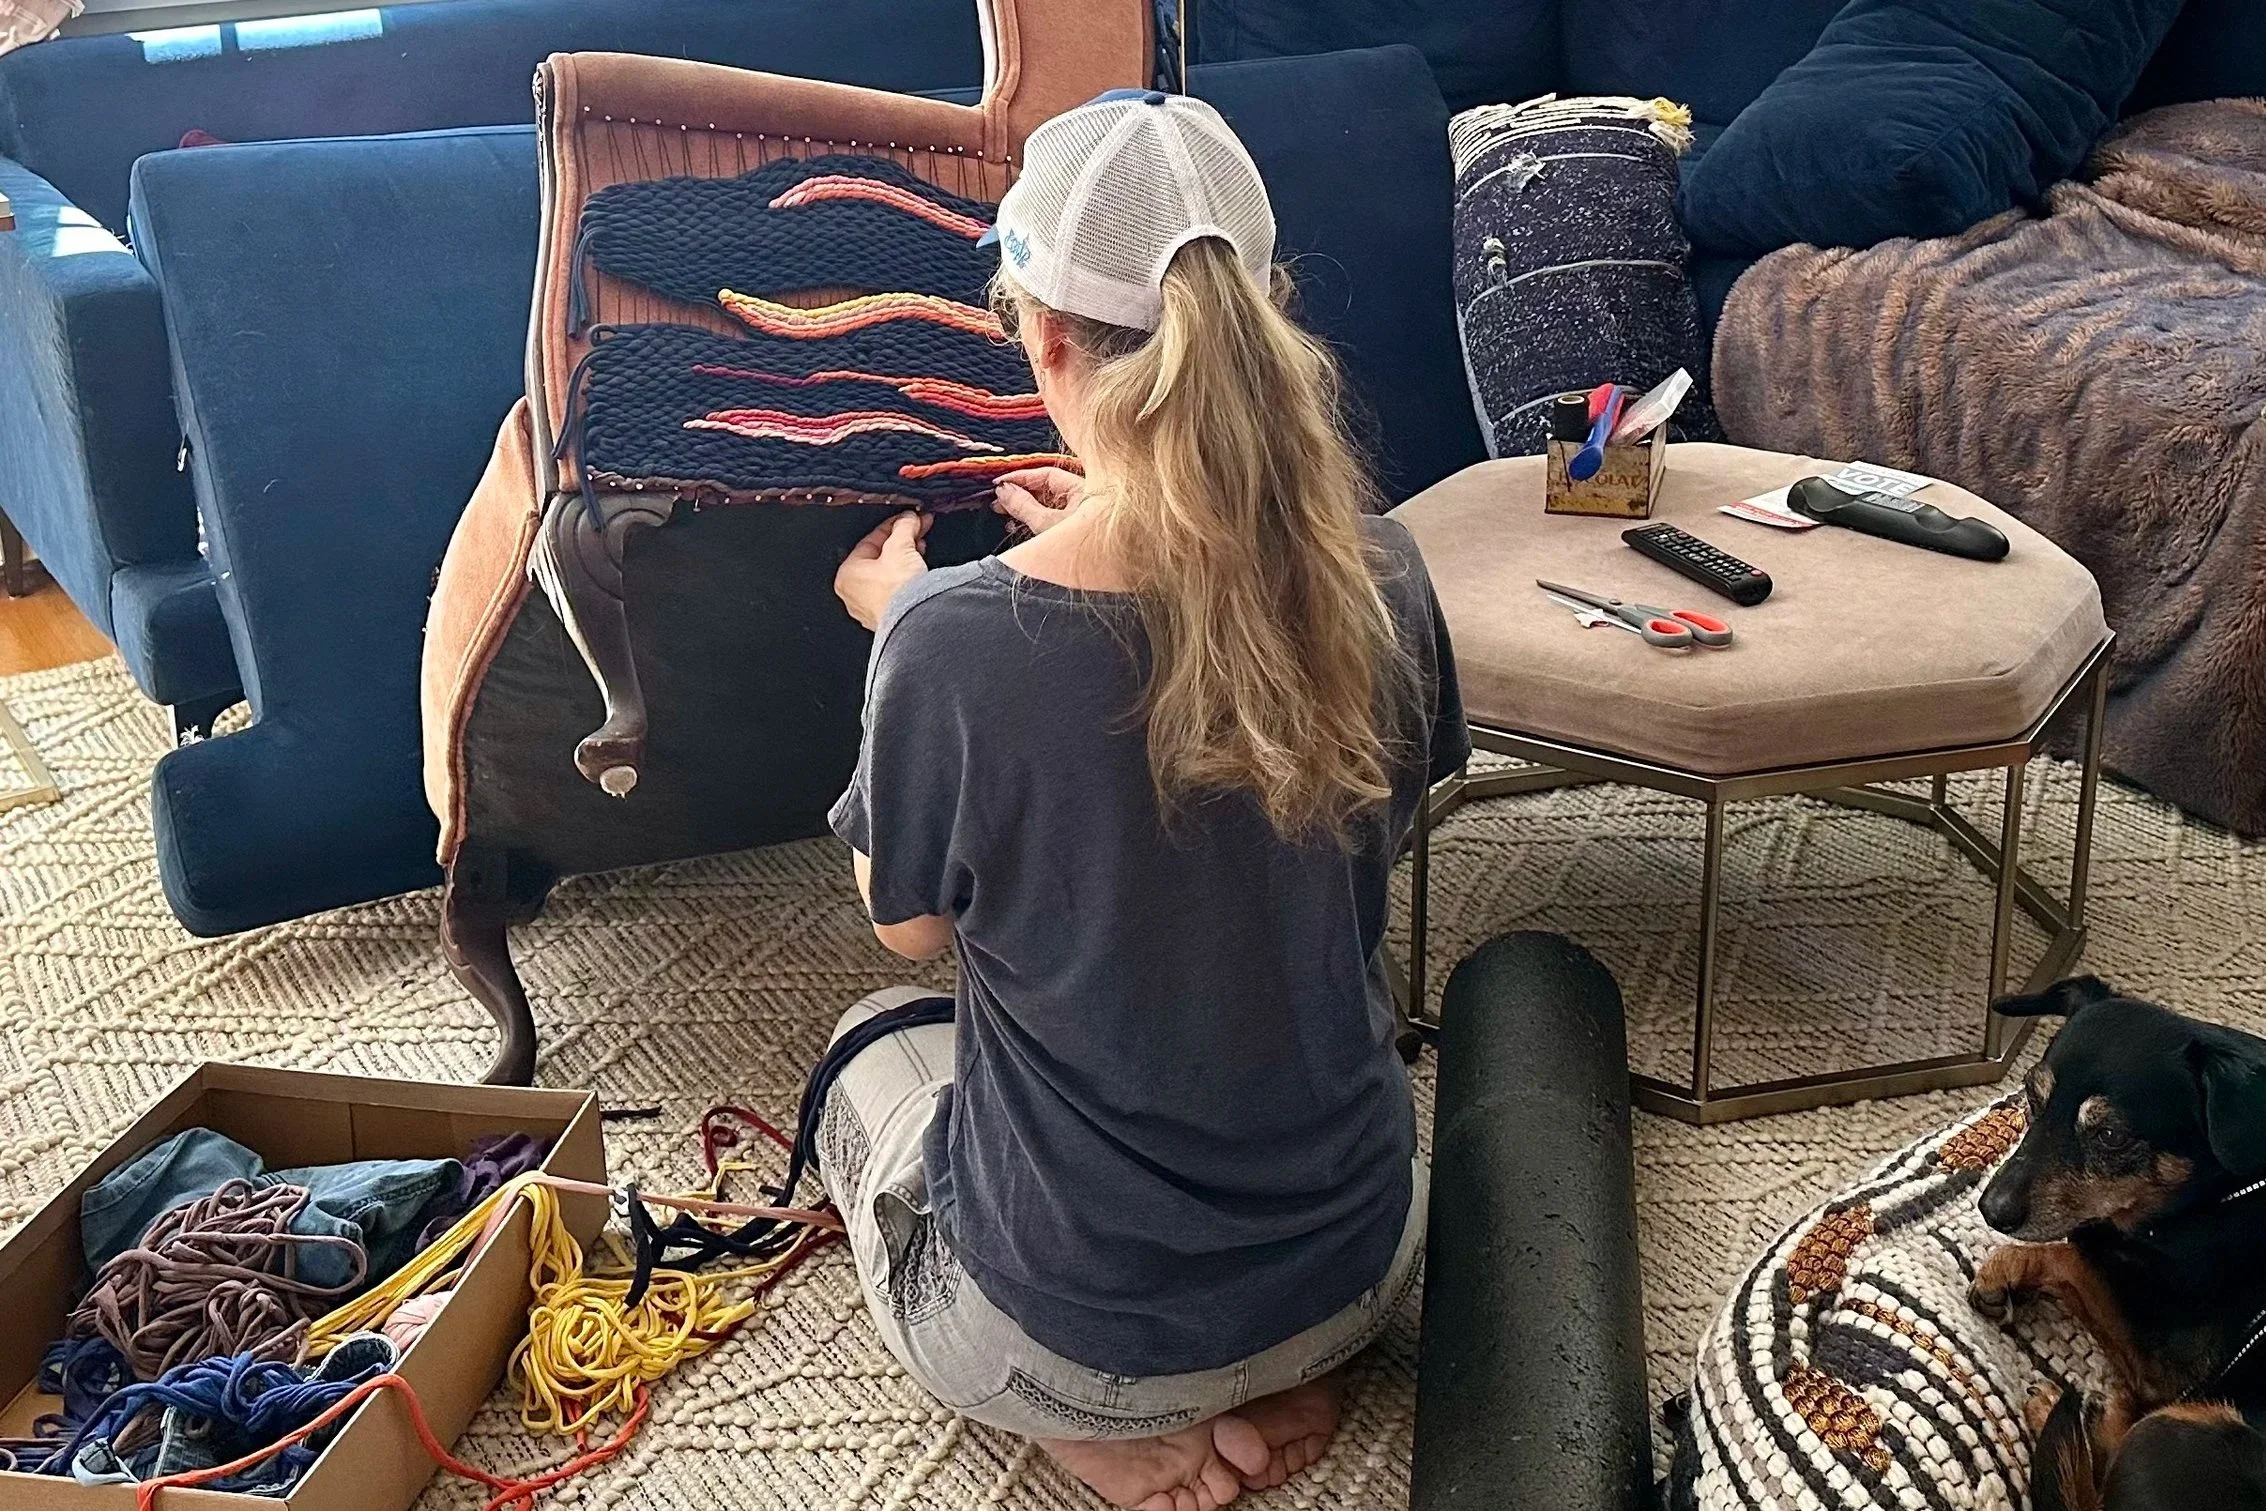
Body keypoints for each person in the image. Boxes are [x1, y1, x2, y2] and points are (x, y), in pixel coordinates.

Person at [823, 90, 1467, 1511]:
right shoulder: (1387, 572)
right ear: (1265, 309)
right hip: (1361, 1266)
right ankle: (1285, 1368)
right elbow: (1367, 821)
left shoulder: (950, 643)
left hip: (1076, 1338)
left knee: (868, 1053)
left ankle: (1104, 1428)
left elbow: (911, 931)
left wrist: (899, 632)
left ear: (1043, 335)